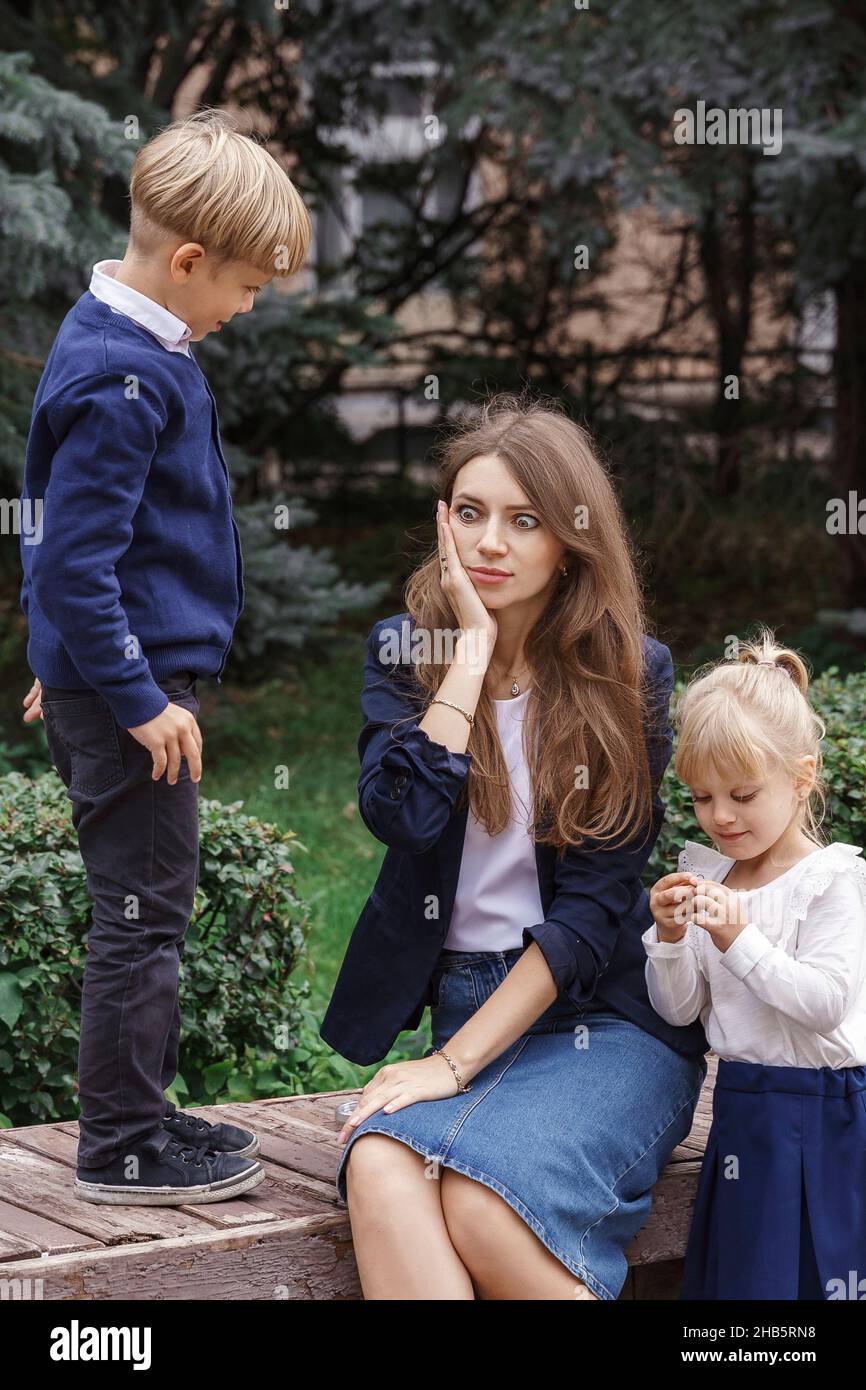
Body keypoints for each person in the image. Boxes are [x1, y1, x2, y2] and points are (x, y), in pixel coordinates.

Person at [319, 392, 709, 1300]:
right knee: (380, 1167)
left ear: (571, 537)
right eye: (470, 514)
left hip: (605, 1024)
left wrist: (449, 1067)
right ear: (442, 523)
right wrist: (469, 655)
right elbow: (405, 817)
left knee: (483, 1204)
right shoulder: (406, 652)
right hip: (467, 1005)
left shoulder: (629, 675)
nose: (490, 543)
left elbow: (589, 914)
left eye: (523, 520)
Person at [18, 108, 312, 1204]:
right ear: (187, 262)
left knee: (143, 911)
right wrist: (131, 693)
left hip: (109, 675)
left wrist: (59, 653)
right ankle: (122, 1150)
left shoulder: (116, 339)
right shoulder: (125, 380)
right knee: (142, 923)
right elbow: (74, 557)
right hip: (132, 692)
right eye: (244, 287)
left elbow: (47, 530)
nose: (246, 307)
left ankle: (136, 1117)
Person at [644, 631, 866, 1299]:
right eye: (703, 798)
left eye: (742, 795)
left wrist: (739, 939)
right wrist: (670, 937)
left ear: (800, 779)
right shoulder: (709, 874)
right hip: (744, 1112)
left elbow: (825, 1002)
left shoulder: (830, 881)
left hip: (826, 1116)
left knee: (814, 1275)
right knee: (745, 1283)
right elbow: (681, 1010)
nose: (720, 816)